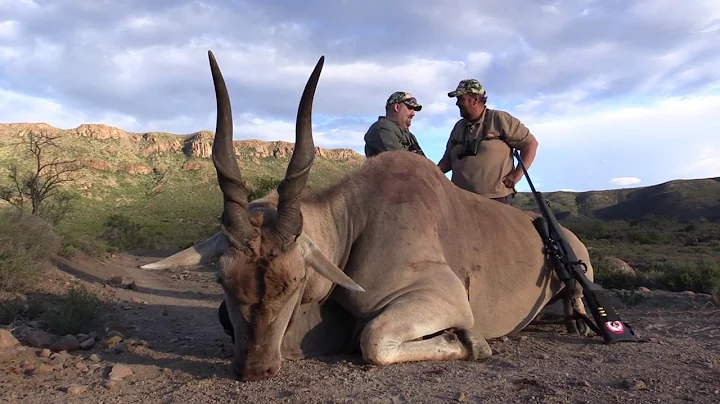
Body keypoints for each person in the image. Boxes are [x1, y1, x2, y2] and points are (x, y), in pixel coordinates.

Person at [437, 79, 539, 204]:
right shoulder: (459, 127)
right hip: (460, 201)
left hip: (496, 200)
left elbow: (530, 144)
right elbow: (446, 162)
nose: (457, 103)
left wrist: (516, 175)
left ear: (475, 100)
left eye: (461, 98)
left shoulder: (500, 119)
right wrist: (428, 173)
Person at [363, 91, 426, 157]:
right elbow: (402, 160)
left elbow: (424, 163)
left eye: (414, 110)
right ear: (397, 107)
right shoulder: (382, 127)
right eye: (409, 108)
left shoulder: (410, 136)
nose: (413, 114)